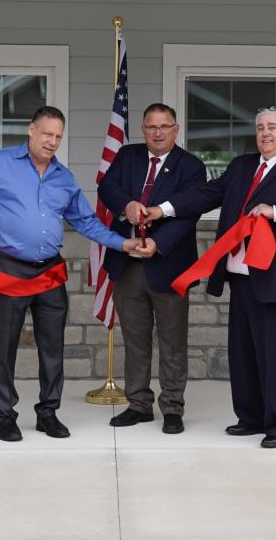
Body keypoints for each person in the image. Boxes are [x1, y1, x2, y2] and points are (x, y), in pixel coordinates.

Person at [0, 106, 147, 442]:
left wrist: (123, 244)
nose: (52, 141)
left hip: (49, 273)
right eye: (47, 134)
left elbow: (86, 222)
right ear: (32, 130)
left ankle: (48, 412)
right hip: (10, 270)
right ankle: (5, 415)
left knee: (52, 348)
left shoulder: (64, 177)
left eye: (58, 136)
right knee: (4, 346)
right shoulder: (1, 163)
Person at [144, 106, 276, 448]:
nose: (265, 133)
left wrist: (275, 212)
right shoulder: (242, 166)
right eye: (260, 127)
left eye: (273, 127)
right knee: (243, 353)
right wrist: (163, 209)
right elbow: (205, 194)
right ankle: (250, 417)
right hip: (242, 277)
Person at [97, 103, 206, 434]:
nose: (157, 133)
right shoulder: (128, 156)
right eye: (151, 127)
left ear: (175, 129)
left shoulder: (191, 166)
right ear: (142, 129)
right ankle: (139, 404)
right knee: (135, 340)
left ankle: (172, 407)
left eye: (164, 126)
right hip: (127, 263)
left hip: (168, 265)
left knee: (172, 341)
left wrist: (159, 244)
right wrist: (125, 204)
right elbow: (107, 187)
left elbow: (189, 215)